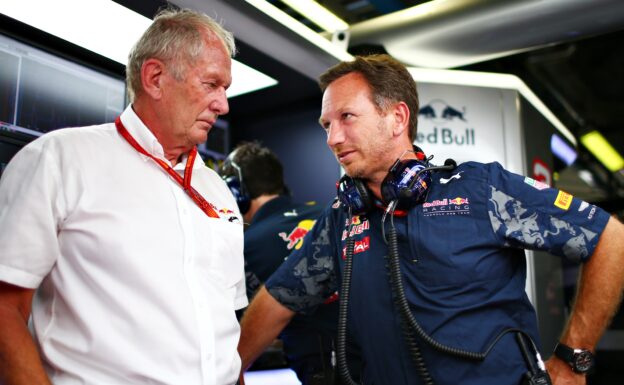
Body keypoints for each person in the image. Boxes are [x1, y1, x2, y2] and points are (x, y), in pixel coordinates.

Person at [237, 54, 624, 385]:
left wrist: (574, 359)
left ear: (397, 118)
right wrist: (228, 371)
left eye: (347, 117)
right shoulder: (342, 219)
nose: (333, 138)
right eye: (326, 125)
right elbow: (278, 298)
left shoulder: (479, 188)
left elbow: (610, 238)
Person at [0, 8, 247, 385]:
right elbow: (5, 308)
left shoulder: (216, 190)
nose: (223, 104)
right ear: (155, 78)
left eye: (225, 89)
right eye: (211, 84)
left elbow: (223, 327)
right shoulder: (60, 159)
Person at [221, 142, 360, 385]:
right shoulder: (332, 215)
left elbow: (230, 348)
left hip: (326, 371)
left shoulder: (244, 247)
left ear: (236, 193)